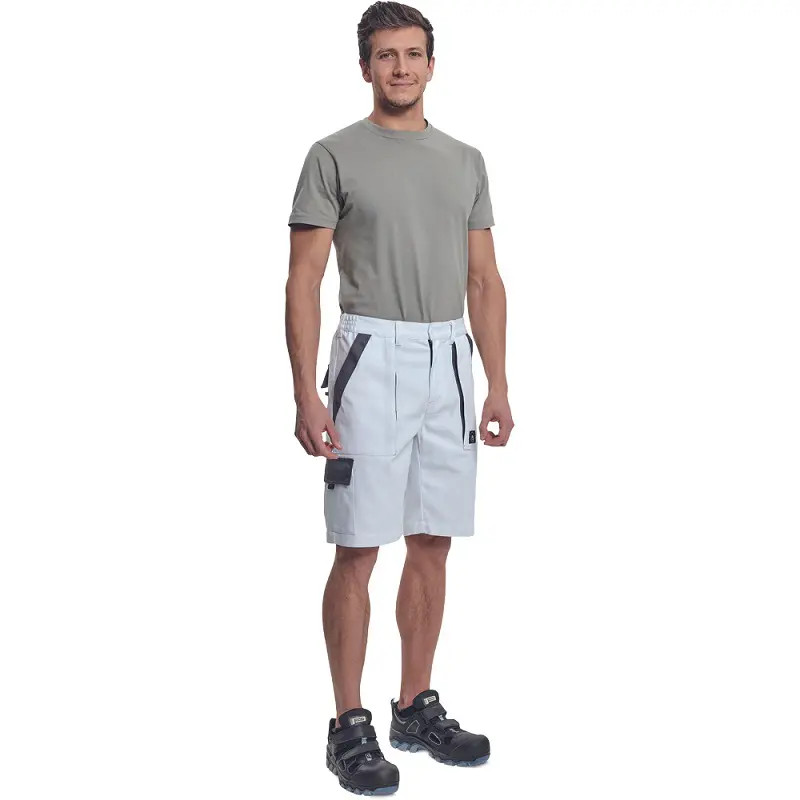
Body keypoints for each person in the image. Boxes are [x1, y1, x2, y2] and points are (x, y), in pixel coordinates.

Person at [285, 2, 513, 794]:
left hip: (449, 358)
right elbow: (304, 279)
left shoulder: (465, 160)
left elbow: (483, 280)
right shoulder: (332, 155)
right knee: (358, 545)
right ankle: (347, 724)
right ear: (365, 67)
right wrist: (305, 393)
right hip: (370, 355)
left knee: (433, 539)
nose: (402, 68)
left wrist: (498, 382)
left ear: (432, 64)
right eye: (387, 55)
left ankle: (414, 706)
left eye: (414, 54)